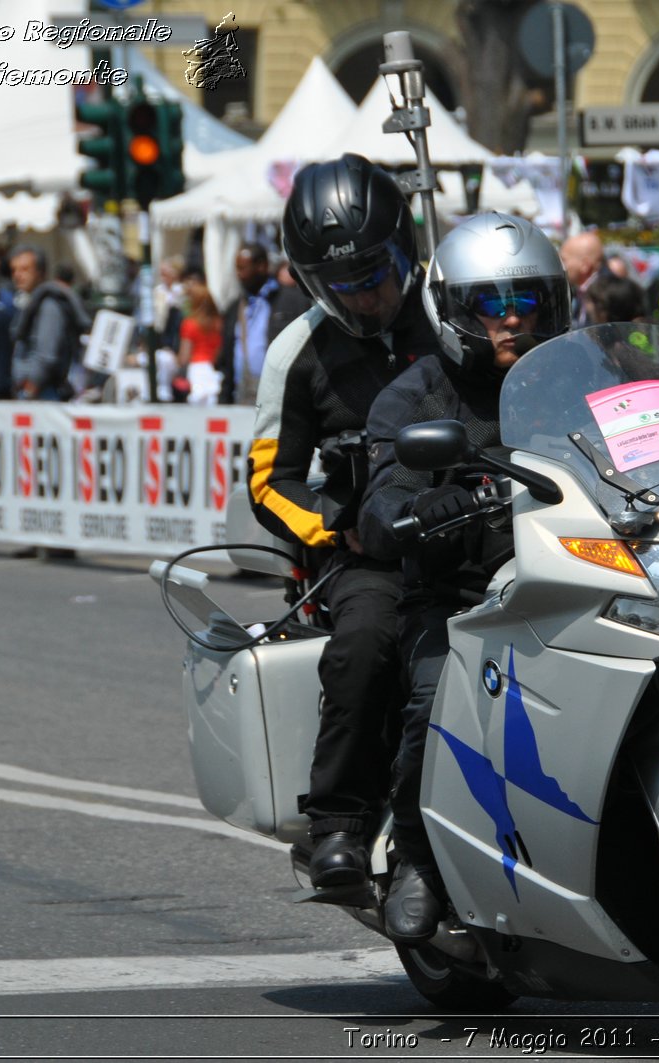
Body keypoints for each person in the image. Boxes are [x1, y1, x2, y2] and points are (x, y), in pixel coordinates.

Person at [360, 212, 573, 942]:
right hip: (460, 599)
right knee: (432, 697)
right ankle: (416, 854)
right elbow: (381, 505)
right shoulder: (417, 396)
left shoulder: (577, 382)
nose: (512, 319)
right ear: (453, 312)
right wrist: (422, 503)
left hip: (574, 583)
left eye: (527, 301)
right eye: (490, 304)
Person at [247, 154, 440, 898]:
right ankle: (340, 824)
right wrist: (338, 525)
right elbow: (270, 479)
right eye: (342, 284)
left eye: (376, 272)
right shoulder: (296, 353)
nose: (365, 296)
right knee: (365, 643)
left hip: (482, 530)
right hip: (372, 552)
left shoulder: (456, 314)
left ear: (407, 248)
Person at [219, 242, 312, 407]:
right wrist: (224, 400)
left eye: (243, 268)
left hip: (282, 397)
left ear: (261, 266)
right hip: (243, 398)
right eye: (237, 268)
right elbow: (228, 358)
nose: (239, 274)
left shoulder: (293, 300)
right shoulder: (235, 307)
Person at [9, 245, 90, 400]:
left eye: (25, 269)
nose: (17, 275)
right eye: (14, 270)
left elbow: (47, 354)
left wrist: (31, 387)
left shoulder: (48, 305)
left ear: (40, 272)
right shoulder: (30, 302)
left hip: (42, 391)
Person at [175, 277, 224, 404]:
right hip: (214, 370)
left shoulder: (189, 324)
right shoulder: (218, 323)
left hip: (196, 369)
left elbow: (184, 357)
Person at [560, 229, 605, 327]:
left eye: (564, 260)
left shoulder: (605, 298)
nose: (561, 266)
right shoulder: (581, 292)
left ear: (585, 265)